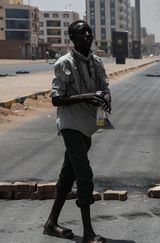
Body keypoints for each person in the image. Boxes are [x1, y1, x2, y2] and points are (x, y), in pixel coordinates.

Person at [44, 20, 111, 243]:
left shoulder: (97, 62)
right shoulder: (64, 63)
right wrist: (85, 97)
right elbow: (56, 99)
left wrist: (105, 97)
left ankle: (51, 223)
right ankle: (89, 234)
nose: (88, 35)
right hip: (70, 125)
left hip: (88, 126)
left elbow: (104, 87)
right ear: (72, 38)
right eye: (82, 33)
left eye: (89, 31)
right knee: (84, 175)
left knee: (67, 176)